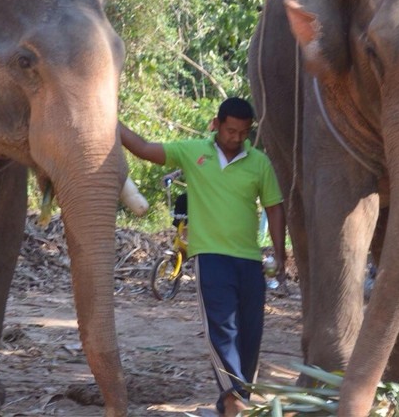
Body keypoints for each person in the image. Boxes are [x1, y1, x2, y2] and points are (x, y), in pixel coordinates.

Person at [119, 98, 287, 417]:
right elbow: (142, 147)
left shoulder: (259, 163)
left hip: (250, 261)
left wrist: (280, 255)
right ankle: (235, 400)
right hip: (211, 258)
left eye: (243, 133)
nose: (237, 138)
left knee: (250, 334)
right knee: (222, 330)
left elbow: (274, 208)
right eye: (230, 131)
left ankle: (234, 401)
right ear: (216, 124)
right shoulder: (192, 151)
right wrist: (109, 120)